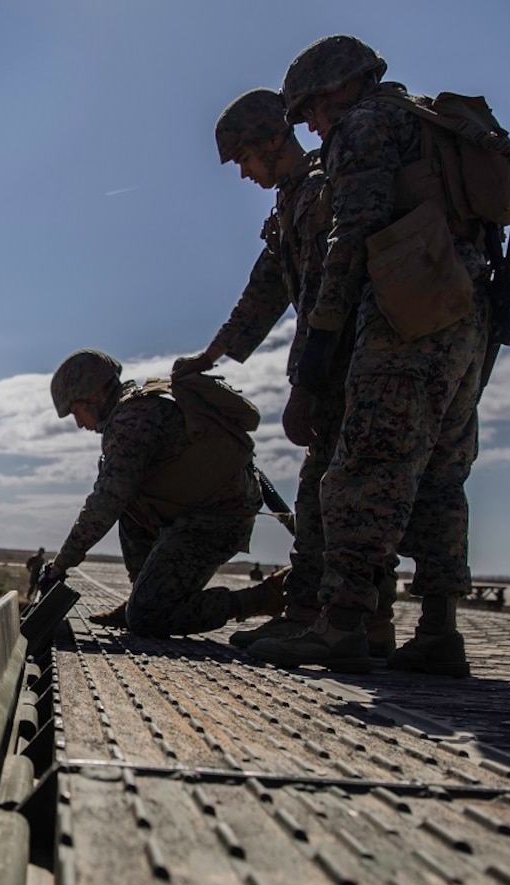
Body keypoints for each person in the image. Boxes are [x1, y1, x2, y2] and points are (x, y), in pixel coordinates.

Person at [249, 36, 496, 678]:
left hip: (406, 309)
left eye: (309, 112)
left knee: (365, 468)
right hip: (468, 308)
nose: (310, 127)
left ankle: (344, 625)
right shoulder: (427, 123)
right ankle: (439, 627)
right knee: (441, 474)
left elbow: (351, 237)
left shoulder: (365, 125)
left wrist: (317, 355)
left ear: (336, 90)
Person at [174, 86, 397, 658]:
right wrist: (211, 356)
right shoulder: (292, 203)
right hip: (337, 365)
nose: (245, 173)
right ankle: (315, 613)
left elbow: (334, 287)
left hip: (350, 363)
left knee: (346, 489)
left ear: (275, 139)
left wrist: (311, 377)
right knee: (334, 488)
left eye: (247, 158)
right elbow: (262, 294)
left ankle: (334, 618)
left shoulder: (322, 190)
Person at [39, 349, 284, 635]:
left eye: (75, 411)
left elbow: (105, 502)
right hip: (199, 512)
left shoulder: (131, 421)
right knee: (128, 502)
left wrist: (61, 565)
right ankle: (141, 594)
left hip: (217, 520)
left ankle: (261, 598)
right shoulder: (133, 411)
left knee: (147, 617)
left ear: (92, 396)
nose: (79, 423)